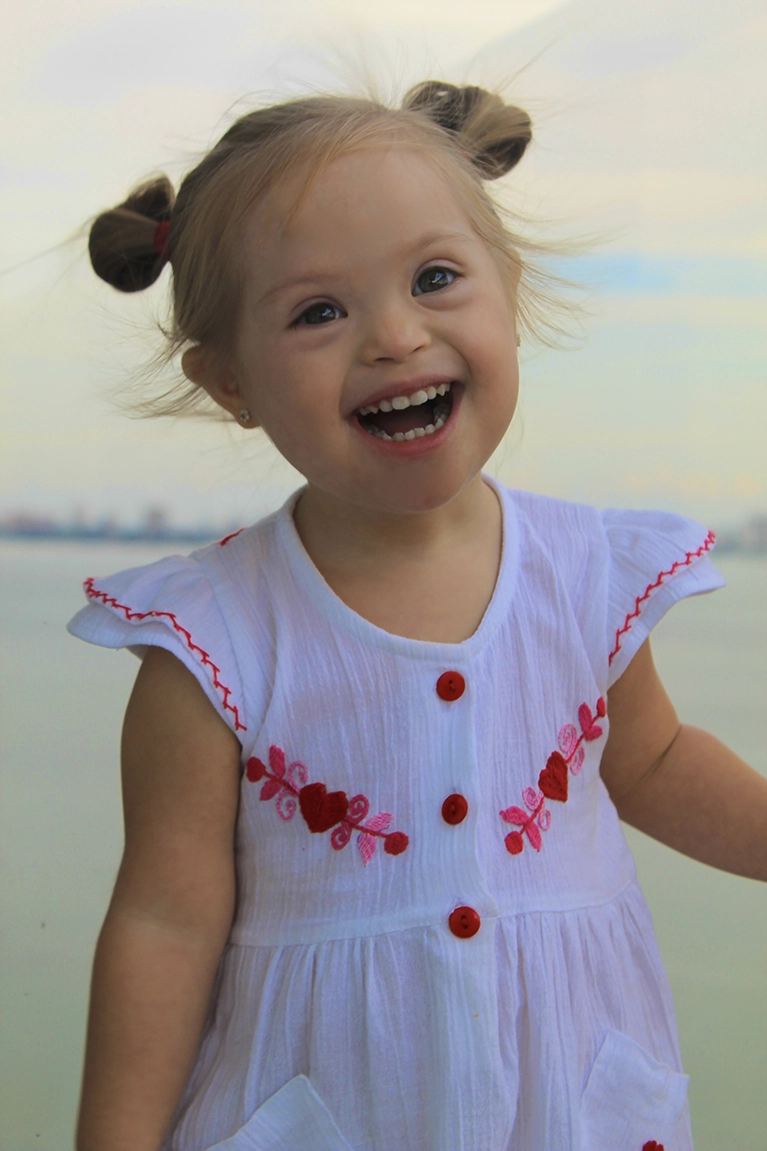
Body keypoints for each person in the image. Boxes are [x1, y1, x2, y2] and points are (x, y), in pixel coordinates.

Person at [68, 82, 767, 1151]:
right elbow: (166, 919)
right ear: (229, 384)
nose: (394, 335)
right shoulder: (212, 638)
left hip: (567, 1094)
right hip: (323, 1102)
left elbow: (654, 758)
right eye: (317, 311)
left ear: (509, 291)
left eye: (435, 278)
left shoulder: (584, 575)